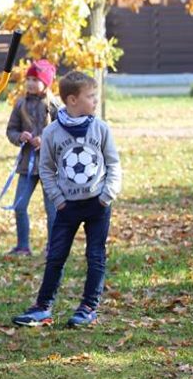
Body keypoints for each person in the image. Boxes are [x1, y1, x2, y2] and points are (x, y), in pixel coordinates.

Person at [12, 71, 121, 329]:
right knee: (56, 255)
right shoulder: (52, 133)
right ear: (72, 100)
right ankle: (43, 307)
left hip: (98, 204)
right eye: (91, 96)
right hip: (67, 207)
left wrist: (107, 194)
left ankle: (88, 307)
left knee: (96, 256)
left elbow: (114, 163)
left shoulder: (100, 128)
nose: (95, 101)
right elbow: (47, 168)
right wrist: (58, 198)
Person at [5, 59, 59, 255]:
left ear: (46, 82)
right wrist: (20, 137)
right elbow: (11, 130)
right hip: (26, 165)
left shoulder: (54, 105)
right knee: (19, 206)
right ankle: (22, 246)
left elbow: (63, 132)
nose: (30, 83)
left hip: (49, 166)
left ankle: (53, 247)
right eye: (28, 79)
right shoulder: (20, 104)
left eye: (35, 79)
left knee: (52, 210)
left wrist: (45, 140)